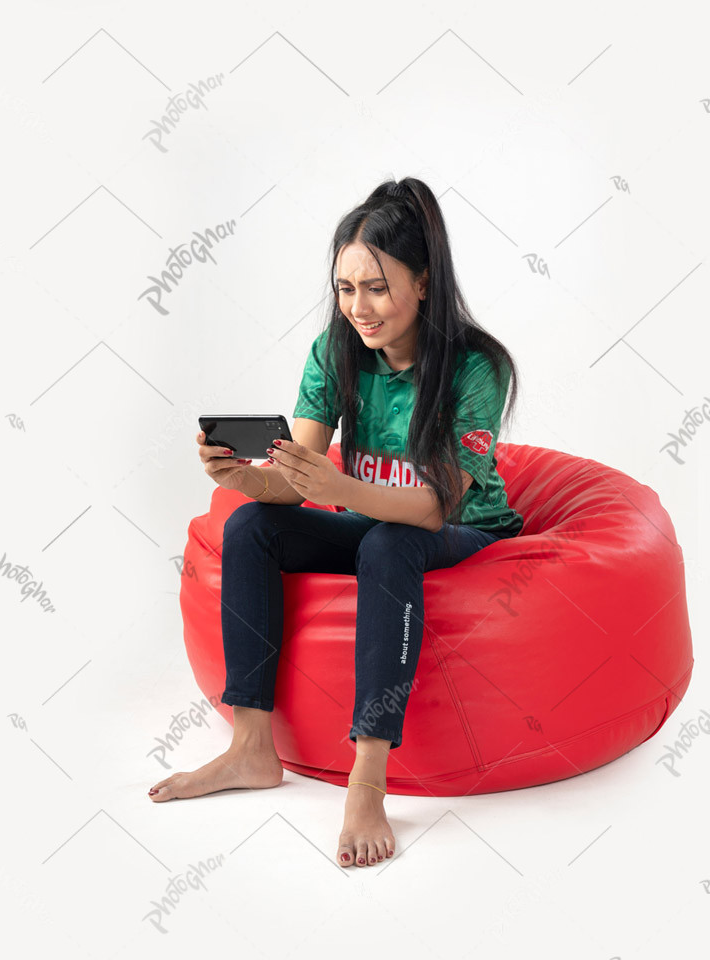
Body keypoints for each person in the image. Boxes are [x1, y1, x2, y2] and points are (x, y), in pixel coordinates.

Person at [148, 176, 524, 868]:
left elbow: (436, 506)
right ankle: (251, 748)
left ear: (423, 284)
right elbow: (297, 479)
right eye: (346, 289)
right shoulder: (335, 351)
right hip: (372, 517)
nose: (359, 307)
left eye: (377, 287)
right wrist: (245, 478)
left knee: (388, 540)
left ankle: (368, 776)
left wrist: (338, 486)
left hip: (466, 529)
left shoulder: (475, 366)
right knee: (250, 526)